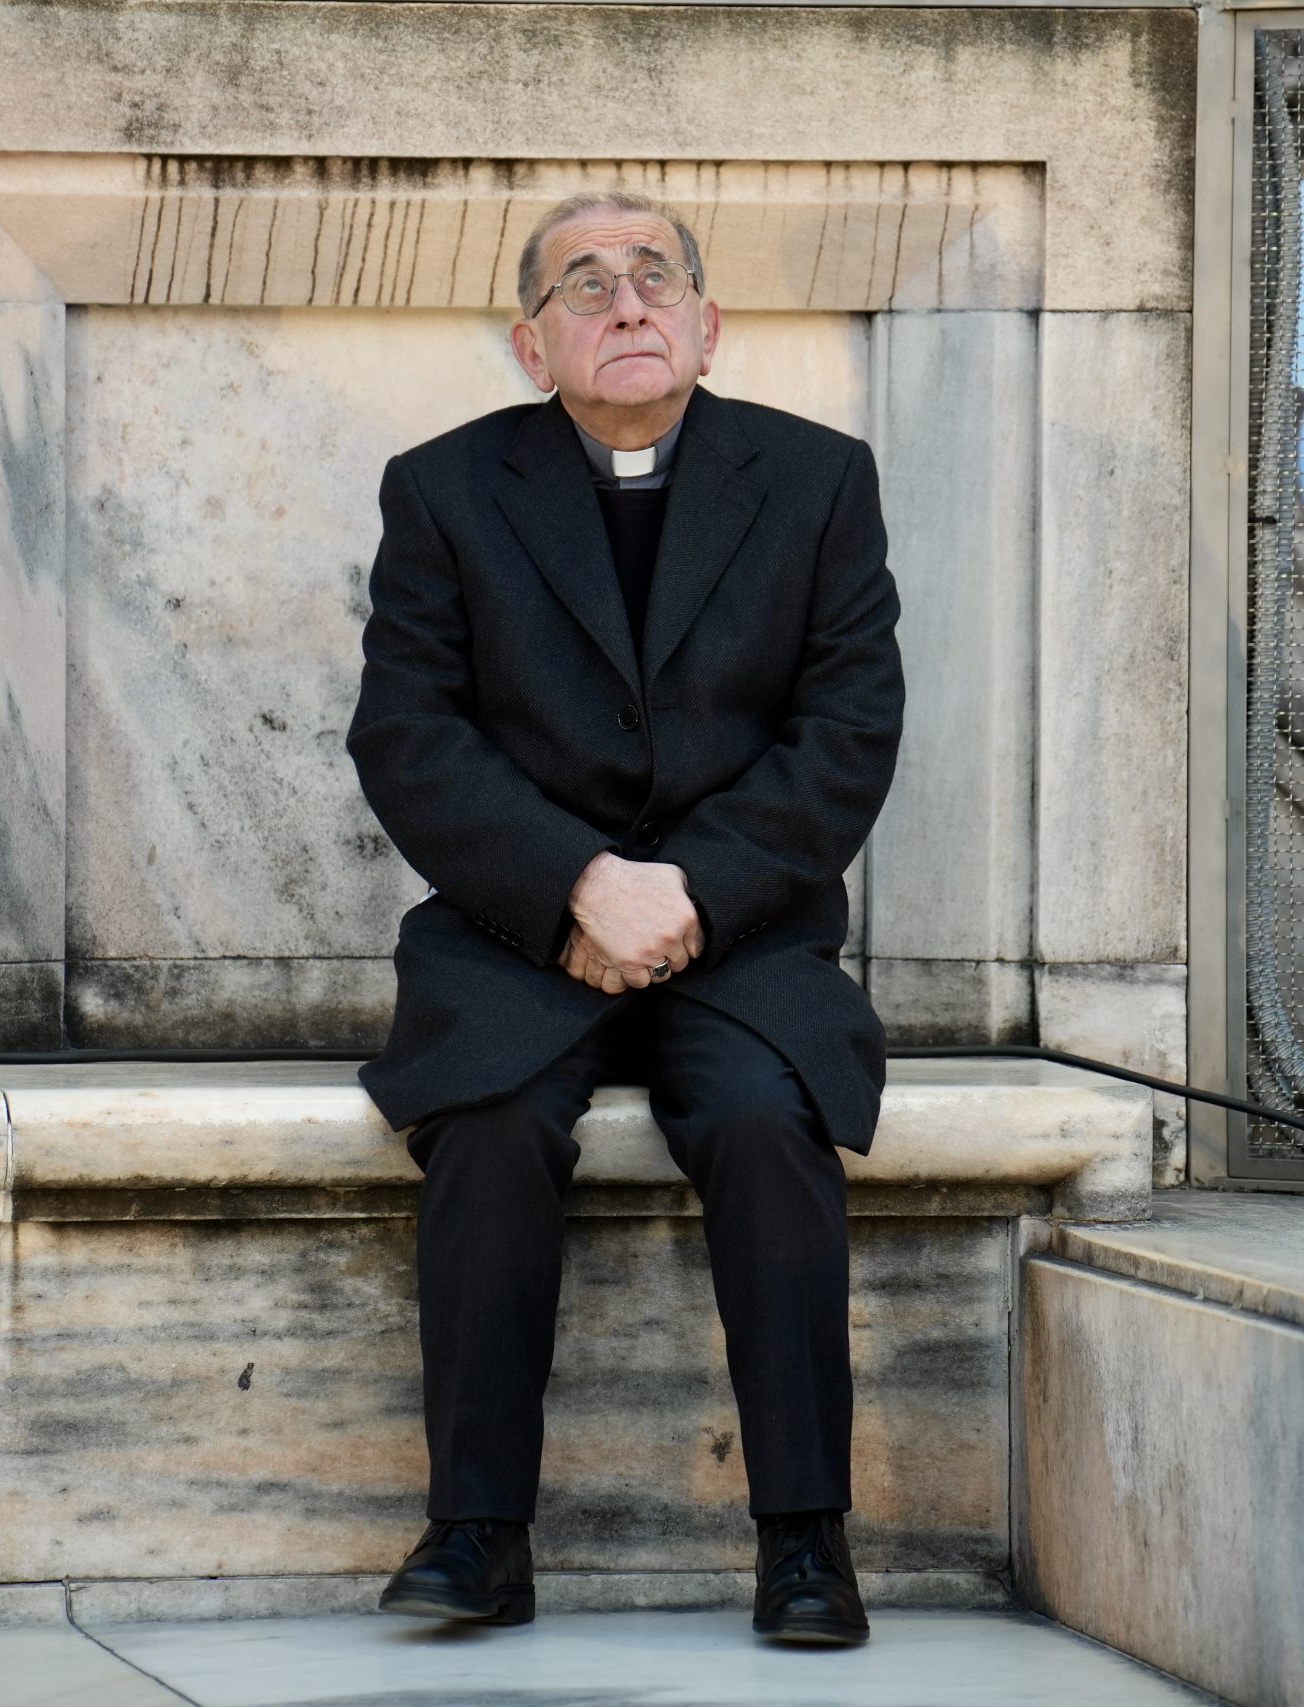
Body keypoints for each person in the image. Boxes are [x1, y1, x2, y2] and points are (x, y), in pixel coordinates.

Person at [344, 190, 904, 1645]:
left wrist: (691, 893)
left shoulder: (819, 480)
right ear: (532, 345)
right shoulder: (444, 489)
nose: (629, 302)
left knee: (766, 1122)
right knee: (488, 1121)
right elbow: (408, 736)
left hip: (747, 926)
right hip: (520, 927)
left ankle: (806, 1543)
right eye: (584, 285)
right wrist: (577, 884)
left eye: (657, 276)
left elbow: (848, 730)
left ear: (710, 325)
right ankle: (476, 1532)